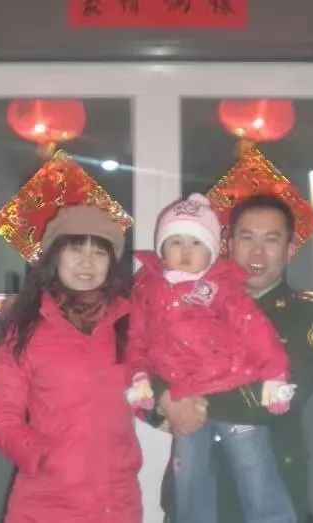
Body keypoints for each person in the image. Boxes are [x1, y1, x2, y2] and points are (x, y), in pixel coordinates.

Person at [158, 194, 313, 523]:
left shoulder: (309, 316)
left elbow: (286, 395)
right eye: (247, 238)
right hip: (191, 496)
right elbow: (150, 364)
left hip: (270, 490)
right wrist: (163, 400)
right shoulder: (187, 304)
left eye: (271, 240)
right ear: (228, 244)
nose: (257, 252)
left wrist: (183, 397)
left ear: (290, 249)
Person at [127, 193, 297, 523]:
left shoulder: (224, 289)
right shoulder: (147, 289)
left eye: (195, 242)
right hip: (183, 394)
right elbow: (137, 341)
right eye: (175, 241)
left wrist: (275, 375)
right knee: (191, 486)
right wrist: (146, 383)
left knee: (256, 475)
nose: (185, 251)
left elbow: (258, 332)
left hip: (228, 385)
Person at [0, 205, 142, 523]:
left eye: (99, 252)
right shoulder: (24, 331)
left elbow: (149, 390)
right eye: (76, 248)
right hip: (45, 504)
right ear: (55, 256)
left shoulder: (129, 323)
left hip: (118, 505)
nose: (87, 262)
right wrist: (42, 457)